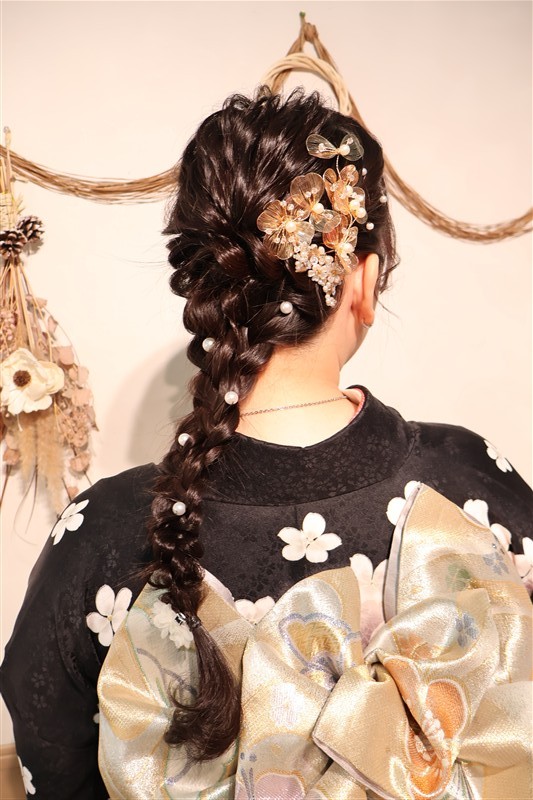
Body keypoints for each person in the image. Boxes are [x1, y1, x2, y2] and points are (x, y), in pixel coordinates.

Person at [1, 89, 531, 800]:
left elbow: (52, 761)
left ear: (207, 289)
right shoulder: (469, 484)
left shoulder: (101, 532)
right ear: (364, 281)